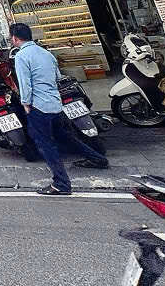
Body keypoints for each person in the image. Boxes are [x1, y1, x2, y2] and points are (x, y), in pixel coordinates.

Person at [10, 23, 108, 195]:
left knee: (46, 145)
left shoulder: (21, 56)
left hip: (39, 106)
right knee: (66, 137)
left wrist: (26, 104)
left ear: (14, 38)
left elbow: (25, 84)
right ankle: (98, 159)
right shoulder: (46, 53)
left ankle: (61, 183)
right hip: (55, 104)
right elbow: (57, 76)